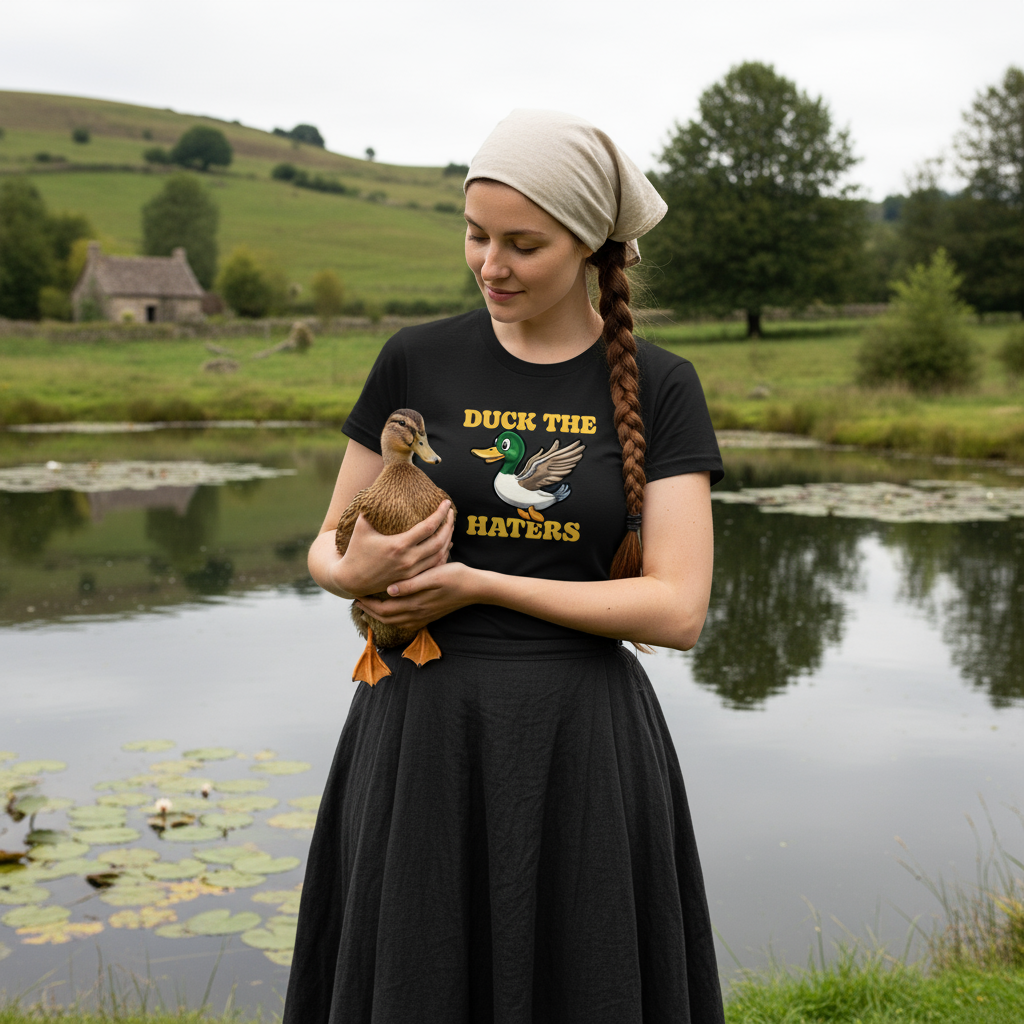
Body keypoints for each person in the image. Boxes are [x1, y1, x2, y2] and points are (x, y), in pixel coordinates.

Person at [284, 109, 726, 1024]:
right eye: (476, 236)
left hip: (583, 741)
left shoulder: (662, 383)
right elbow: (326, 546)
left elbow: (677, 609)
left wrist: (478, 583)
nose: (491, 264)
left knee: (587, 978)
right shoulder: (416, 359)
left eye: (523, 244)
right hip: (419, 729)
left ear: (591, 246)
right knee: (420, 976)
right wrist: (352, 566)